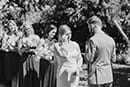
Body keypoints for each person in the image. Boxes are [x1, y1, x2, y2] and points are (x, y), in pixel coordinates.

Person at [85, 16, 116, 87]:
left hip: (96, 77)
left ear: (94, 25)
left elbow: (89, 59)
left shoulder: (92, 40)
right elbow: (113, 59)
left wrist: (86, 50)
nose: (89, 29)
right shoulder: (111, 40)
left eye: (89, 26)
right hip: (108, 76)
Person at [19, 23, 40, 87]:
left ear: (32, 29)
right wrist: (26, 48)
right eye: (25, 29)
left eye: (29, 28)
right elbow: (20, 52)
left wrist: (33, 50)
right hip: (25, 59)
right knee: (24, 76)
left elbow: (39, 49)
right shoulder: (22, 39)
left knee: (34, 75)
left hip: (34, 59)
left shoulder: (36, 37)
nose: (27, 30)